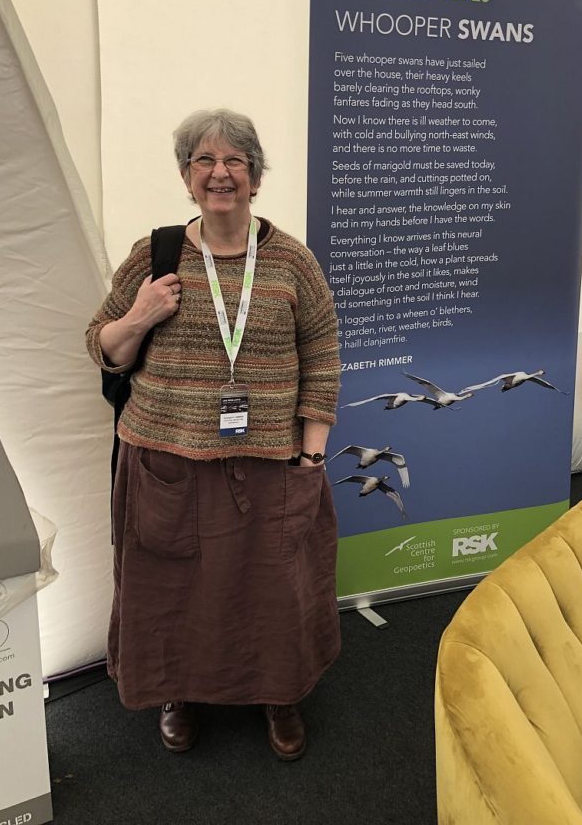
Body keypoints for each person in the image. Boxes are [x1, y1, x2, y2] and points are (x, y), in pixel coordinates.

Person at [86, 109, 341, 759]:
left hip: (270, 466)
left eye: (235, 162)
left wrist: (312, 454)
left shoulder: (292, 262)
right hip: (167, 463)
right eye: (205, 161)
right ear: (186, 176)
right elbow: (103, 347)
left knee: (274, 592)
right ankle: (176, 691)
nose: (220, 173)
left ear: (255, 178)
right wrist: (141, 315)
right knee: (172, 591)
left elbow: (323, 356)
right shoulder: (156, 254)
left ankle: (278, 694)